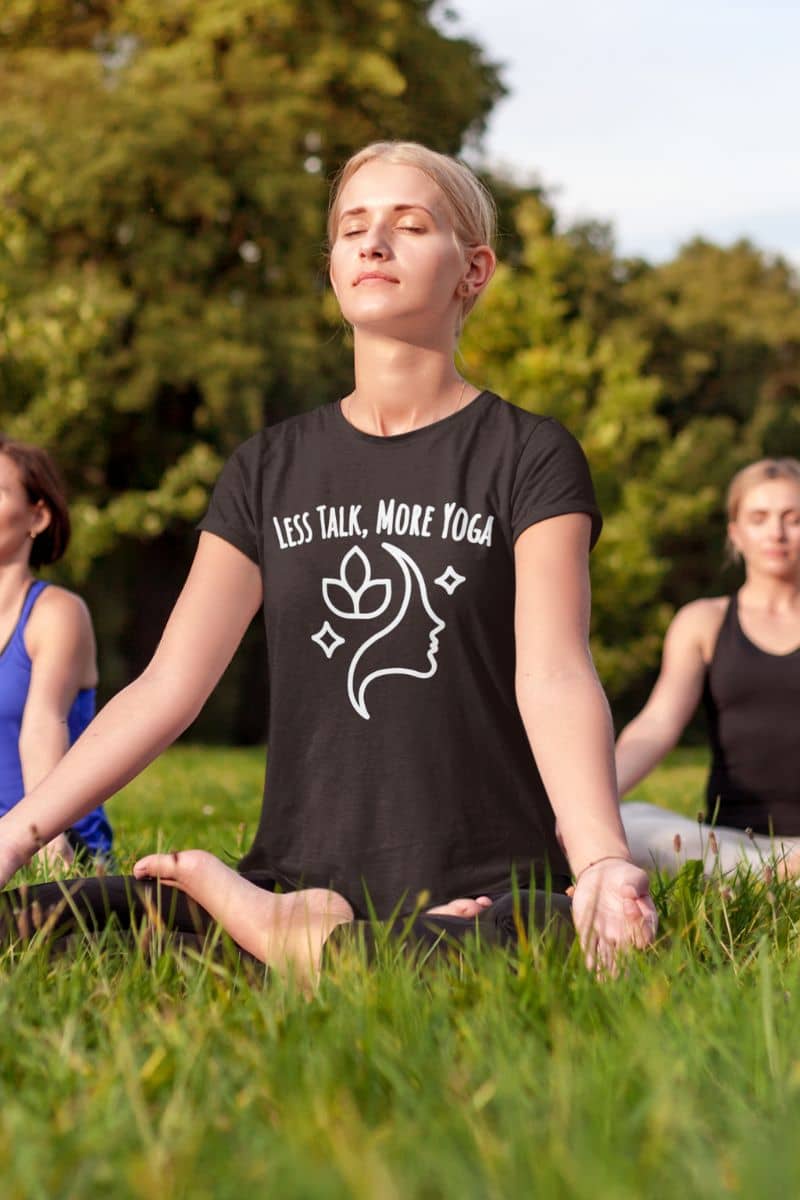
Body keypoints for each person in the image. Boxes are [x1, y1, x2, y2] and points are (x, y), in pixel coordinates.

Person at [0, 142, 656, 981]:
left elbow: (556, 672)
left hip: (485, 883)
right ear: (336, 264)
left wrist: (600, 863)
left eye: (409, 225)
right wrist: (18, 833)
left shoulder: (528, 454)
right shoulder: (267, 468)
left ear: (474, 270)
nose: (373, 243)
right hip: (294, 876)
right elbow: (168, 686)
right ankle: (301, 931)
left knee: (552, 937)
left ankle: (289, 943)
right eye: (352, 228)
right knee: (36, 922)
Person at [616, 458, 800, 876]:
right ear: (736, 533)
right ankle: (775, 872)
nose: (776, 532)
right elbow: (657, 723)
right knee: (627, 824)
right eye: (760, 518)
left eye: (793, 519)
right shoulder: (702, 622)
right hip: (729, 842)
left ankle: (771, 873)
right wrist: (589, 807)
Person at [0, 436, 113, 865]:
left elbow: (42, 727)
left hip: (58, 847)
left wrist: (46, 847)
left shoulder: (56, 613)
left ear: (38, 516)